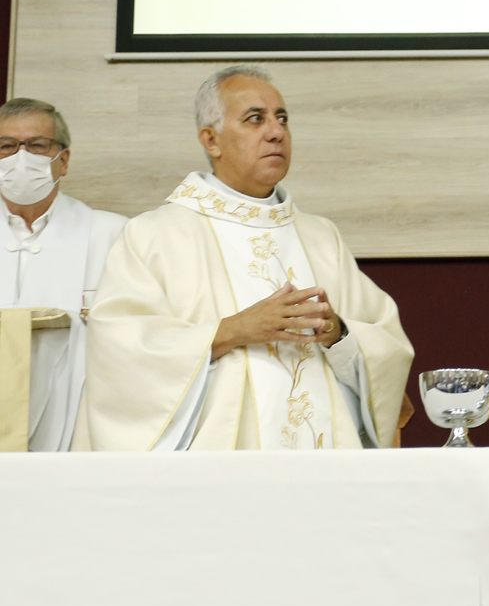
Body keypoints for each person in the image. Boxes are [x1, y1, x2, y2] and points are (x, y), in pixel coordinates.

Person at [82, 64, 412, 450]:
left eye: (282, 119)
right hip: (218, 464)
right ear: (211, 140)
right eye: (255, 119)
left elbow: (386, 345)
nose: (276, 132)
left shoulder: (321, 237)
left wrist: (338, 333)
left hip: (325, 463)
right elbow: (121, 354)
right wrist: (234, 330)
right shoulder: (154, 235)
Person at [0, 97, 125, 451]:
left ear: (63, 160)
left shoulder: (113, 236)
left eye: (37, 145)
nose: (21, 158)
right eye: (6, 146)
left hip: (77, 431)